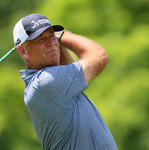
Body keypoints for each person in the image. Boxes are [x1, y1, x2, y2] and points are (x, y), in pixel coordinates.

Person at [13, 13, 118, 150]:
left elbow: (71, 67)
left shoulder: (53, 84)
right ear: (23, 51)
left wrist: (55, 43)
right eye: (40, 39)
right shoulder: (46, 83)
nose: (51, 42)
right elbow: (99, 57)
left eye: (51, 36)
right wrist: (61, 35)